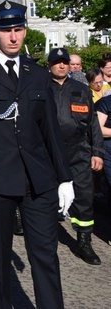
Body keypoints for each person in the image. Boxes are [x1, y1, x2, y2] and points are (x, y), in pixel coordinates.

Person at [0, 0, 74, 309]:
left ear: (25, 31)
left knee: (45, 256)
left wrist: (64, 178)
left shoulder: (37, 73)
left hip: (38, 179)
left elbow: (50, 130)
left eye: (19, 30)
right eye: (7, 31)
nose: (14, 37)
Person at [47, 47, 104, 265]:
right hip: (50, 150)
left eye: (65, 62)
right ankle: (46, 239)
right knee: (46, 195)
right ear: (49, 65)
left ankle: (84, 242)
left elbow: (93, 125)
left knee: (84, 196)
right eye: (57, 62)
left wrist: (97, 152)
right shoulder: (41, 89)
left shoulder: (81, 89)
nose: (62, 65)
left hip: (79, 149)